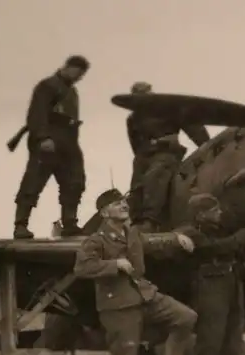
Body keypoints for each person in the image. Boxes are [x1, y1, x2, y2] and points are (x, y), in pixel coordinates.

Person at [73, 189, 197, 355]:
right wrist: (114, 264)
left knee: (186, 318)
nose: (124, 205)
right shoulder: (96, 240)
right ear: (104, 213)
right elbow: (81, 268)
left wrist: (176, 237)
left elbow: (152, 241)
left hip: (145, 296)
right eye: (117, 204)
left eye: (124, 202)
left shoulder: (132, 233)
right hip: (119, 306)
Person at [177, 193, 245, 355]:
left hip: (230, 281)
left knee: (234, 334)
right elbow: (220, 247)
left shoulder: (218, 228)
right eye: (215, 210)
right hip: (210, 286)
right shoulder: (189, 232)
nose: (220, 212)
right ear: (201, 215)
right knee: (211, 336)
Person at [12, 55, 90, 239]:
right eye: (79, 73)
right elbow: (36, 113)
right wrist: (42, 137)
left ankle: (69, 223)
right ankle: (21, 225)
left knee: (75, 181)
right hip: (49, 140)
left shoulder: (72, 91)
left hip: (68, 142)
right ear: (69, 67)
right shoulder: (47, 86)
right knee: (33, 182)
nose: (79, 77)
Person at [126, 82, 211, 232]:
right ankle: (136, 220)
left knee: (154, 176)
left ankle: (150, 220)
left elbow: (192, 126)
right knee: (136, 186)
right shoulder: (133, 118)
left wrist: (205, 145)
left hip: (166, 152)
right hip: (144, 154)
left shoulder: (169, 110)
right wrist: (141, 157)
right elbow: (134, 142)